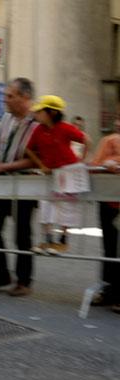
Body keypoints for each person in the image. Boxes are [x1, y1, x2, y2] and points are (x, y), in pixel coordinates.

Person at [0, 77, 39, 297]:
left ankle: (24, 280)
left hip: (25, 184)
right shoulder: (5, 119)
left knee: (22, 232)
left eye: (10, 96)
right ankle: (1, 273)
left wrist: (3, 166)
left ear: (25, 97)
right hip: (0, 184)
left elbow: (36, 160)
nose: (5, 100)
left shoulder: (37, 124)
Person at [26, 95, 91, 255]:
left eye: (40, 111)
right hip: (49, 173)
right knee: (45, 205)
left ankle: (63, 242)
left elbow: (86, 140)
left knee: (67, 206)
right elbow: (28, 149)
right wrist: (41, 165)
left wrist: (82, 161)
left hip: (68, 172)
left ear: (52, 112)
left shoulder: (65, 127)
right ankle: (47, 240)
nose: (36, 114)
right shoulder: (38, 130)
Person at [89, 118, 120, 313]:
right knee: (109, 247)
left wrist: (113, 162)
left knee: (112, 247)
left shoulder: (110, 140)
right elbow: (95, 164)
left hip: (110, 199)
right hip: (108, 200)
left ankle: (111, 291)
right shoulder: (109, 140)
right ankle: (110, 290)